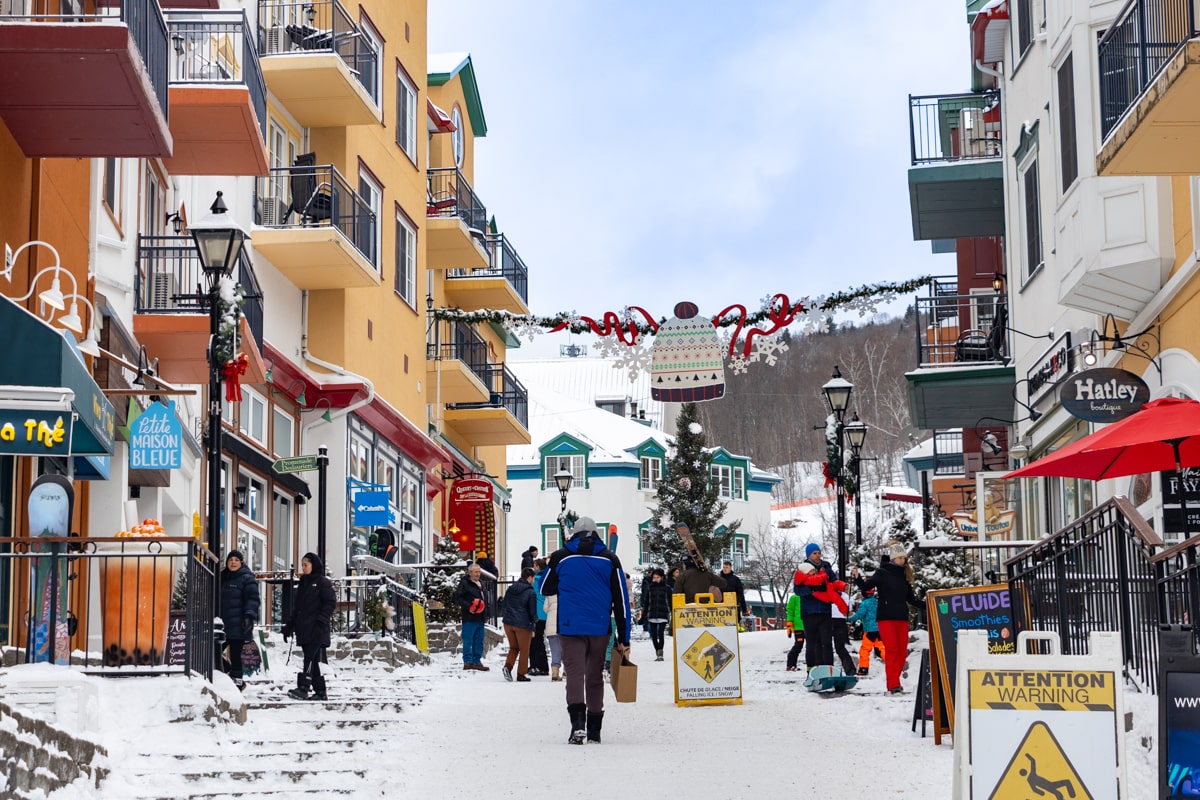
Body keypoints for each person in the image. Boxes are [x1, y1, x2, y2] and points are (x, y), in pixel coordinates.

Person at [540, 515, 631, 745]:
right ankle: (595, 730)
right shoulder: (610, 558)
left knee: (575, 675)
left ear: (573, 534)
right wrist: (624, 635)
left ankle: (577, 727)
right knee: (594, 676)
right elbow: (621, 600)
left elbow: (544, 587)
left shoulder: (562, 557)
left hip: (570, 626)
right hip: (600, 626)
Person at [852, 542, 924, 694]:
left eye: (904, 558)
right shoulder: (882, 572)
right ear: (893, 558)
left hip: (902, 618)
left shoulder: (904, 576)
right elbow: (867, 587)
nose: (902, 560)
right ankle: (893, 685)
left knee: (902, 653)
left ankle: (894, 680)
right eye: (900, 557)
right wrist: (857, 578)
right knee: (891, 650)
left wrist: (930, 604)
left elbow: (911, 599)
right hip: (885, 618)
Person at [283, 552, 335, 701]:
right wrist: (289, 626)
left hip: (317, 628)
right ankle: (320, 691)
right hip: (304, 628)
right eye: (302, 565)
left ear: (314, 565)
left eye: (306, 565)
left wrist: (321, 620)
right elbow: (297, 608)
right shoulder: (303, 583)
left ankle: (304, 687)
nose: (303, 568)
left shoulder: (322, 582)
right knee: (311, 658)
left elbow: (330, 603)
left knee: (309, 658)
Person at [793, 543, 847, 673]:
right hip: (809, 611)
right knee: (812, 643)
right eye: (814, 553)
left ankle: (829, 669)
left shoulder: (826, 568)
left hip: (824, 610)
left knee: (827, 642)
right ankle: (811, 670)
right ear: (808, 555)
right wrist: (812, 589)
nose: (817, 556)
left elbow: (833, 583)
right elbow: (797, 590)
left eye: (818, 553)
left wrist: (836, 592)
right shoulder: (803, 569)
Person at [218, 550, 260, 690]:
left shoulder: (247, 578)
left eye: (236, 560)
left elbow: (253, 599)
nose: (233, 562)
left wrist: (249, 616)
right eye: (230, 560)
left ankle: (237, 684)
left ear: (241, 562)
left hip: (239, 624)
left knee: (235, 655)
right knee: (214, 652)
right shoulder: (222, 577)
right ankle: (230, 677)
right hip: (222, 624)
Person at [501, 567, 538, 682]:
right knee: (524, 649)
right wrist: (535, 620)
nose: (533, 581)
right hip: (523, 624)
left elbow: (504, 604)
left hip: (508, 623)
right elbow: (532, 611)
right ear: (529, 578)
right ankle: (521, 674)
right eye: (533, 578)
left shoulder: (511, 589)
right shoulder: (530, 592)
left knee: (514, 647)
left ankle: (508, 667)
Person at [456, 563, 491, 671]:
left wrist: (487, 614)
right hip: (470, 617)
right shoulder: (464, 584)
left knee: (479, 640)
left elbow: (486, 601)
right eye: (475, 572)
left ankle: (477, 661)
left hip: (480, 617)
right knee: (468, 640)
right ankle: (467, 662)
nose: (478, 574)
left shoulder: (482, 583)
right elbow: (458, 598)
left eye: (479, 572)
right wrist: (469, 606)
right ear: (470, 573)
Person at [847, 588, 885, 676]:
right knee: (880, 649)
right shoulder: (876, 602)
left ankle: (863, 669)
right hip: (879, 630)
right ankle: (894, 662)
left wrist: (848, 618)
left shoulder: (865, 604)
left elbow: (859, 615)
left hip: (869, 631)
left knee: (865, 650)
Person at [642, 567, 672, 661]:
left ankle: (660, 652)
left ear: (662, 577)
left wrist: (671, 612)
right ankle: (658, 652)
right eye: (654, 577)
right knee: (654, 635)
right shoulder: (650, 588)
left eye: (657, 577)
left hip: (663, 613)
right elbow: (647, 602)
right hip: (652, 613)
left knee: (660, 633)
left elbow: (670, 601)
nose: (655, 579)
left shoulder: (667, 588)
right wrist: (644, 614)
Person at [529, 558, 551, 676]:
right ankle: (543, 666)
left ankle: (538, 666)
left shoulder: (535, 581)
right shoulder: (548, 578)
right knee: (540, 640)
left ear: (537, 567)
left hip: (536, 614)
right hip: (546, 613)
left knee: (535, 641)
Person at [830, 587, 857, 676]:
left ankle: (827, 670)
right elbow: (849, 610)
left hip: (828, 620)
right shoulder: (846, 596)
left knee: (826, 646)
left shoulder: (828, 593)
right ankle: (850, 669)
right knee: (840, 648)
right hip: (841, 621)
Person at [784, 591, 805, 671]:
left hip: (809, 625)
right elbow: (790, 611)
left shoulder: (810, 596)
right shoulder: (794, 597)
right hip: (798, 627)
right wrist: (789, 623)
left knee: (813, 646)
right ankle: (790, 665)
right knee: (798, 645)